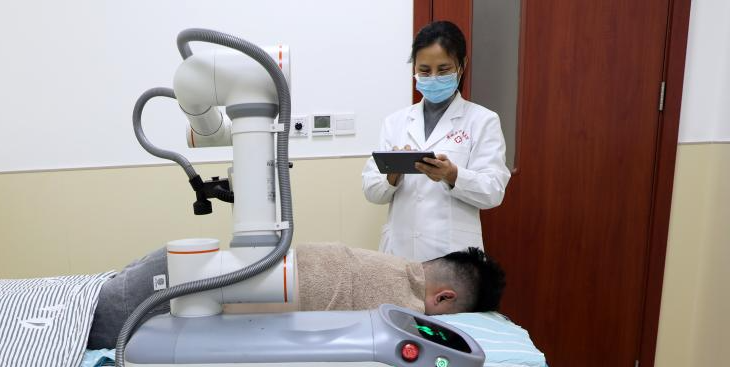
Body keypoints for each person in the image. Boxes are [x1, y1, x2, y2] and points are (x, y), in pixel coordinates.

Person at [87, 243, 506, 349]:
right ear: (444, 299)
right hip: (180, 294)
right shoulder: (404, 309)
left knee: (81, 298)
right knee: (72, 328)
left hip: (175, 267)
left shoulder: (389, 264)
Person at [362, 20, 510, 261]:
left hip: (454, 255)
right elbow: (371, 191)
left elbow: (493, 191)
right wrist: (393, 174)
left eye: (443, 70)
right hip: (399, 252)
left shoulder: (483, 120)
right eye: (424, 70)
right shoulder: (395, 122)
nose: (432, 77)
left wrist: (452, 175)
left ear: (462, 66)